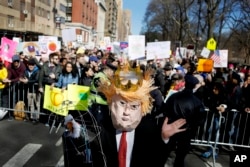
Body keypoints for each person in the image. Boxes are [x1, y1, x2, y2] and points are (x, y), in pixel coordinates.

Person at [63, 61, 187, 167]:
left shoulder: (149, 131)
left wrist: (164, 139)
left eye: (133, 107)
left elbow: (155, 162)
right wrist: (76, 138)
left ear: (142, 109)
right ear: (111, 104)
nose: (127, 112)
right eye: (122, 104)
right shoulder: (99, 129)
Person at [162, 74, 206, 167]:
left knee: (165, 153)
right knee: (180, 158)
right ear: (194, 86)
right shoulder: (197, 101)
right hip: (186, 131)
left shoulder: (174, 96)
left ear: (185, 83)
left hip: (172, 129)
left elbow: (165, 110)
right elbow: (200, 120)